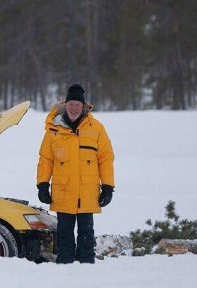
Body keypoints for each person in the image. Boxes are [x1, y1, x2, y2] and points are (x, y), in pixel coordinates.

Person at [36, 84, 115, 264]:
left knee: (86, 232)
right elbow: (45, 159)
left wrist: (108, 187)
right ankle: (65, 265)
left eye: (77, 104)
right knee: (64, 232)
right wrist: (42, 184)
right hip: (63, 191)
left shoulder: (96, 128)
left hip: (87, 192)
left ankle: (86, 265)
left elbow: (106, 159)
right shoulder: (54, 129)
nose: (74, 108)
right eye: (71, 104)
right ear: (65, 104)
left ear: (84, 106)